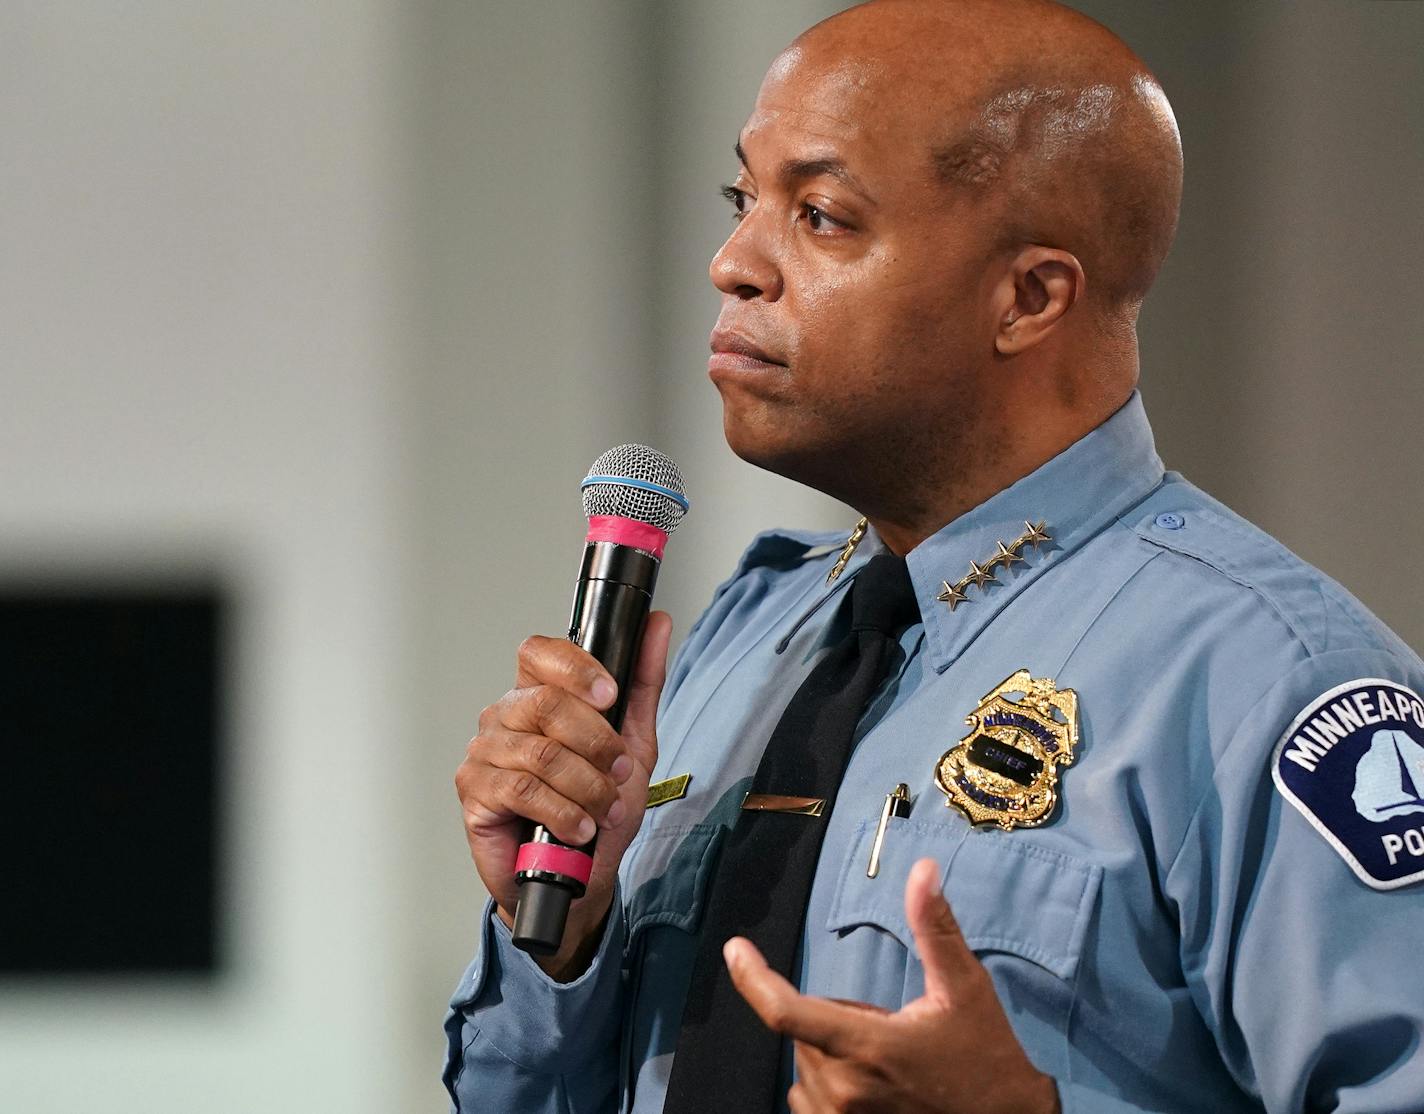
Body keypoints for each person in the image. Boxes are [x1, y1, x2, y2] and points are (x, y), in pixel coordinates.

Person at [446, 0, 1424, 1110]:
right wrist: (564, 947)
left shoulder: (1270, 684)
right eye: (741, 199)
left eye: (818, 216)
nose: (730, 263)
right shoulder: (740, 640)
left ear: (1027, 297)